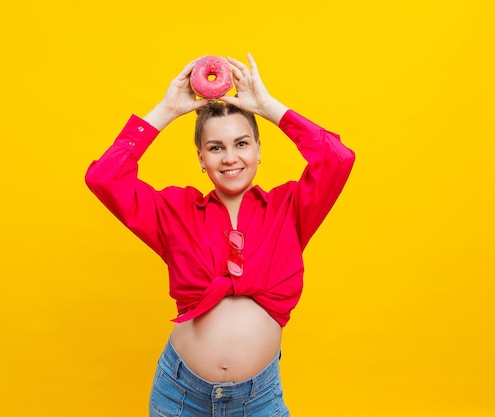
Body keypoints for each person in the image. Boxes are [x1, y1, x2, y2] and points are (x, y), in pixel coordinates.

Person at [85, 53, 355, 417]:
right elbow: (104, 178)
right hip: (180, 395)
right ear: (201, 158)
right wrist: (166, 110)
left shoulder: (290, 210)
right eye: (216, 148)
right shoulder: (174, 213)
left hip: (258, 399)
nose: (230, 157)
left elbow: (337, 158)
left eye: (242, 144)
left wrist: (267, 106)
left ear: (259, 151)